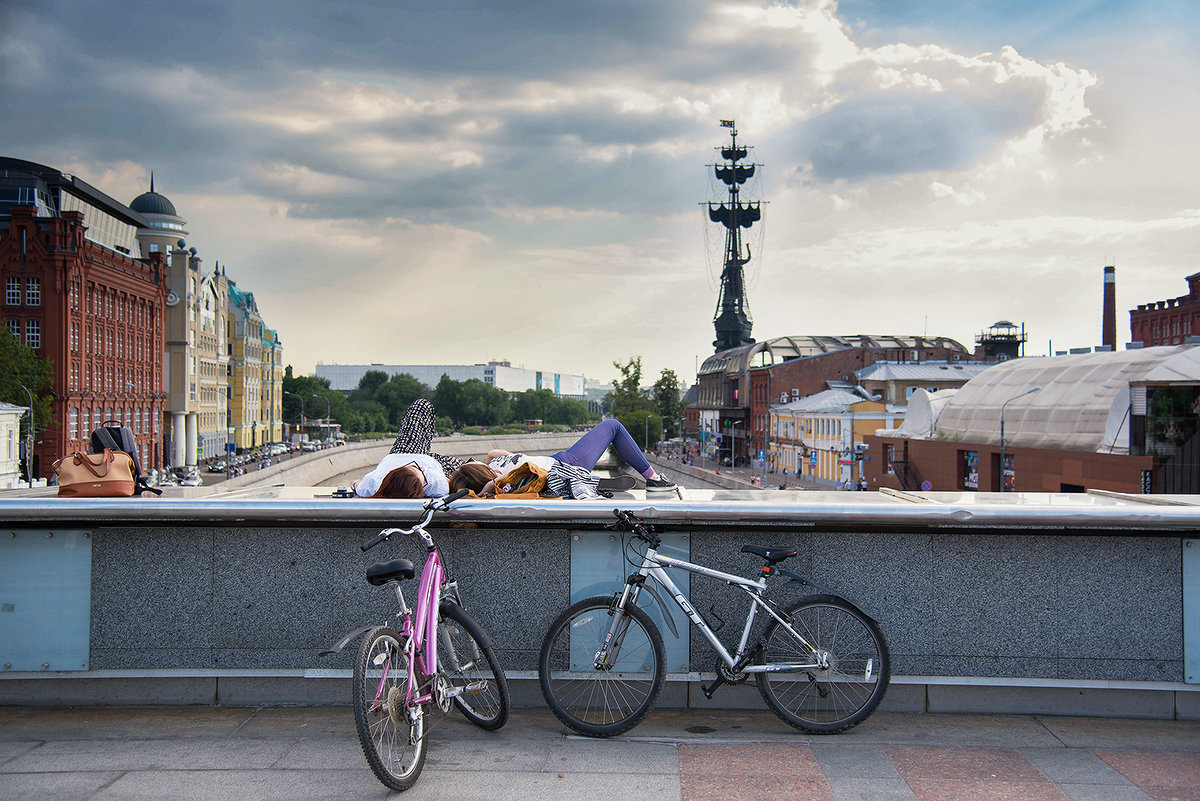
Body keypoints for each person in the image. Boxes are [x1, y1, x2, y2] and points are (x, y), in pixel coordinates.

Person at [449, 418, 676, 499]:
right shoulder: (502, 480)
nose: (471, 461)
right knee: (613, 426)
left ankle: (590, 481)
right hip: (566, 463)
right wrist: (486, 487)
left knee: (612, 428)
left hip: (554, 460)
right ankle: (654, 478)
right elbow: (488, 485)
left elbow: (493, 453)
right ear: (481, 471)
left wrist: (487, 468)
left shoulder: (494, 463)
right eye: (471, 464)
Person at [353, 399, 463, 499]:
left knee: (420, 406)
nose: (422, 468)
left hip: (400, 452)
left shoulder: (373, 482)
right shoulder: (436, 482)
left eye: (413, 466)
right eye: (420, 471)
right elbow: (452, 483)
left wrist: (356, 483)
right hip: (432, 461)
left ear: (391, 473)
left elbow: (357, 485)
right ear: (423, 487)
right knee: (464, 467)